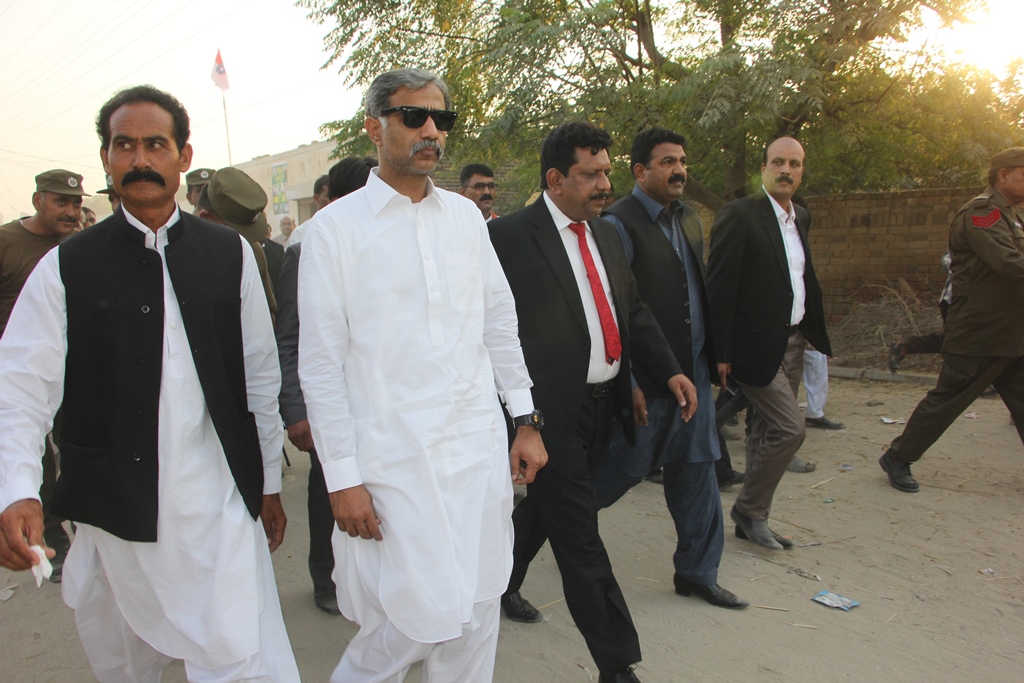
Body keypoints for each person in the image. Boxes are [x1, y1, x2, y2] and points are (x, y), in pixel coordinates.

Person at [0, 85, 300, 682]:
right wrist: (16, 489)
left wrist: (268, 481)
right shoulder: (66, 266)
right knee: (126, 663)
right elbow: (21, 387)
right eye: (124, 145)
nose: (140, 159)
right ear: (106, 158)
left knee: (236, 655)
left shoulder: (230, 254)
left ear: (183, 156)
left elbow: (259, 375)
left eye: (156, 145)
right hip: (114, 512)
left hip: (216, 504)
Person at [298, 68, 547, 683]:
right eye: (414, 117)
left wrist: (526, 420)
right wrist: (342, 478)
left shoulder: (465, 218)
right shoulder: (333, 231)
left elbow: (498, 322)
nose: (431, 130)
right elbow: (322, 366)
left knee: (479, 606)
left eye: (442, 119)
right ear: (374, 127)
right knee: (412, 619)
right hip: (393, 461)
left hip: (475, 452)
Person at [489, 122, 696, 683]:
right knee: (580, 536)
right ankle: (617, 663)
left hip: (602, 407)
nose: (605, 184)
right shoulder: (507, 238)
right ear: (555, 179)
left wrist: (668, 370)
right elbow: (488, 329)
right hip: (545, 416)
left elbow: (632, 311)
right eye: (591, 174)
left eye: (606, 171)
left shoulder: (604, 232)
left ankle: (494, 585)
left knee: (547, 509)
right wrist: (518, 418)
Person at [594, 127, 747, 610]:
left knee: (698, 472)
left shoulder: (691, 220)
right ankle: (555, 530)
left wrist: (717, 353)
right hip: (645, 382)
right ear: (640, 171)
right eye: (666, 162)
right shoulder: (617, 225)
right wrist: (628, 381)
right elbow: (613, 310)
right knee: (613, 474)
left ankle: (698, 573)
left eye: (681, 161)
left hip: (692, 374)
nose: (679, 170)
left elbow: (698, 292)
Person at [705, 136, 832, 550]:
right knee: (790, 429)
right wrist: (721, 352)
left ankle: (754, 518)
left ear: (802, 170)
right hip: (752, 347)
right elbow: (720, 287)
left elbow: (799, 277)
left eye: (794, 164)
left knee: (763, 431)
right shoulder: (739, 215)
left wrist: (810, 332)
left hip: (793, 341)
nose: (786, 170)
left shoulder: (801, 218)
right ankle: (749, 510)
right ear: (764, 168)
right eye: (778, 162)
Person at [879, 148, 1024, 493]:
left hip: (1011, 333)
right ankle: (898, 457)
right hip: (979, 334)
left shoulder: (1011, 215)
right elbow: (1007, 263)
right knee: (947, 401)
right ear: (1003, 175)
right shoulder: (981, 213)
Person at [275, 154, 376, 615]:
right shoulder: (306, 251)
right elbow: (290, 337)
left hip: (379, 402)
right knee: (329, 489)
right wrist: (297, 411)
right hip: (329, 402)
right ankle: (326, 577)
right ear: (334, 200)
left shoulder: (384, 243)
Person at [0, 169, 86, 580]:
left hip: (75, 372)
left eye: (75, 203)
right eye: (60, 202)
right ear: (38, 201)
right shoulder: (7, 243)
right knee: (35, 456)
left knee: (77, 448)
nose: (70, 211)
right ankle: (50, 532)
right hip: (22, 372)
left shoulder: (80, 247)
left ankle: (84, 524)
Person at [195, 168, 277, 318]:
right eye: (239, 232)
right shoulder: (176, 253)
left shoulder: (253, 251)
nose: (245, 242)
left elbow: (267, 314)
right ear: (207, 219)